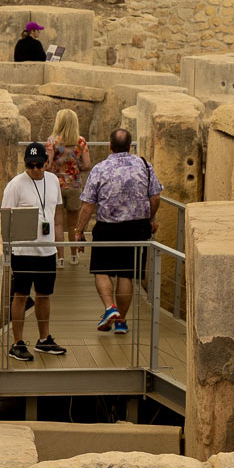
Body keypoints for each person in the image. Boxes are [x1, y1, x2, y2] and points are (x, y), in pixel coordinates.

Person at [72, 127, 161, 335]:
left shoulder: (100, 168)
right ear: (130, 146)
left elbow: (88, 205)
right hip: (137, 227)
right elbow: (155, 197)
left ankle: (110, 308)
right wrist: (150, 218)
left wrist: (79, 230)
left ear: (110, 146)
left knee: (101, 269)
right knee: (126, 273)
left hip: (108, 227)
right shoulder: (144, 165)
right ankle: (121, 322)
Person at [1, 142, 68, 363]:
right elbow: (5, 218)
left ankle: (44, 339)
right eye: (31, 166)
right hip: (23, 250)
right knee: (20, 295)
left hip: (47, 250)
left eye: (39, 165)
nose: (35, 169)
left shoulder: (53, 181)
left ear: (47, 163)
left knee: (44, 294)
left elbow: (57, 216)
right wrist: (7, 251)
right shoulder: (15, 185)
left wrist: (60, 248)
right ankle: (17, 343)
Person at [44, 108, 89, 266]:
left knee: (58, 223)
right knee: (73, 224)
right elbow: (87, 164)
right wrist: (75, 169)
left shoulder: (52, 141)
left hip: (56, 185)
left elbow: (47, 165)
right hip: (74, 185)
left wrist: (57, 169)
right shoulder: (81, 141)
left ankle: (60, 258)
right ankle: (74, 255)